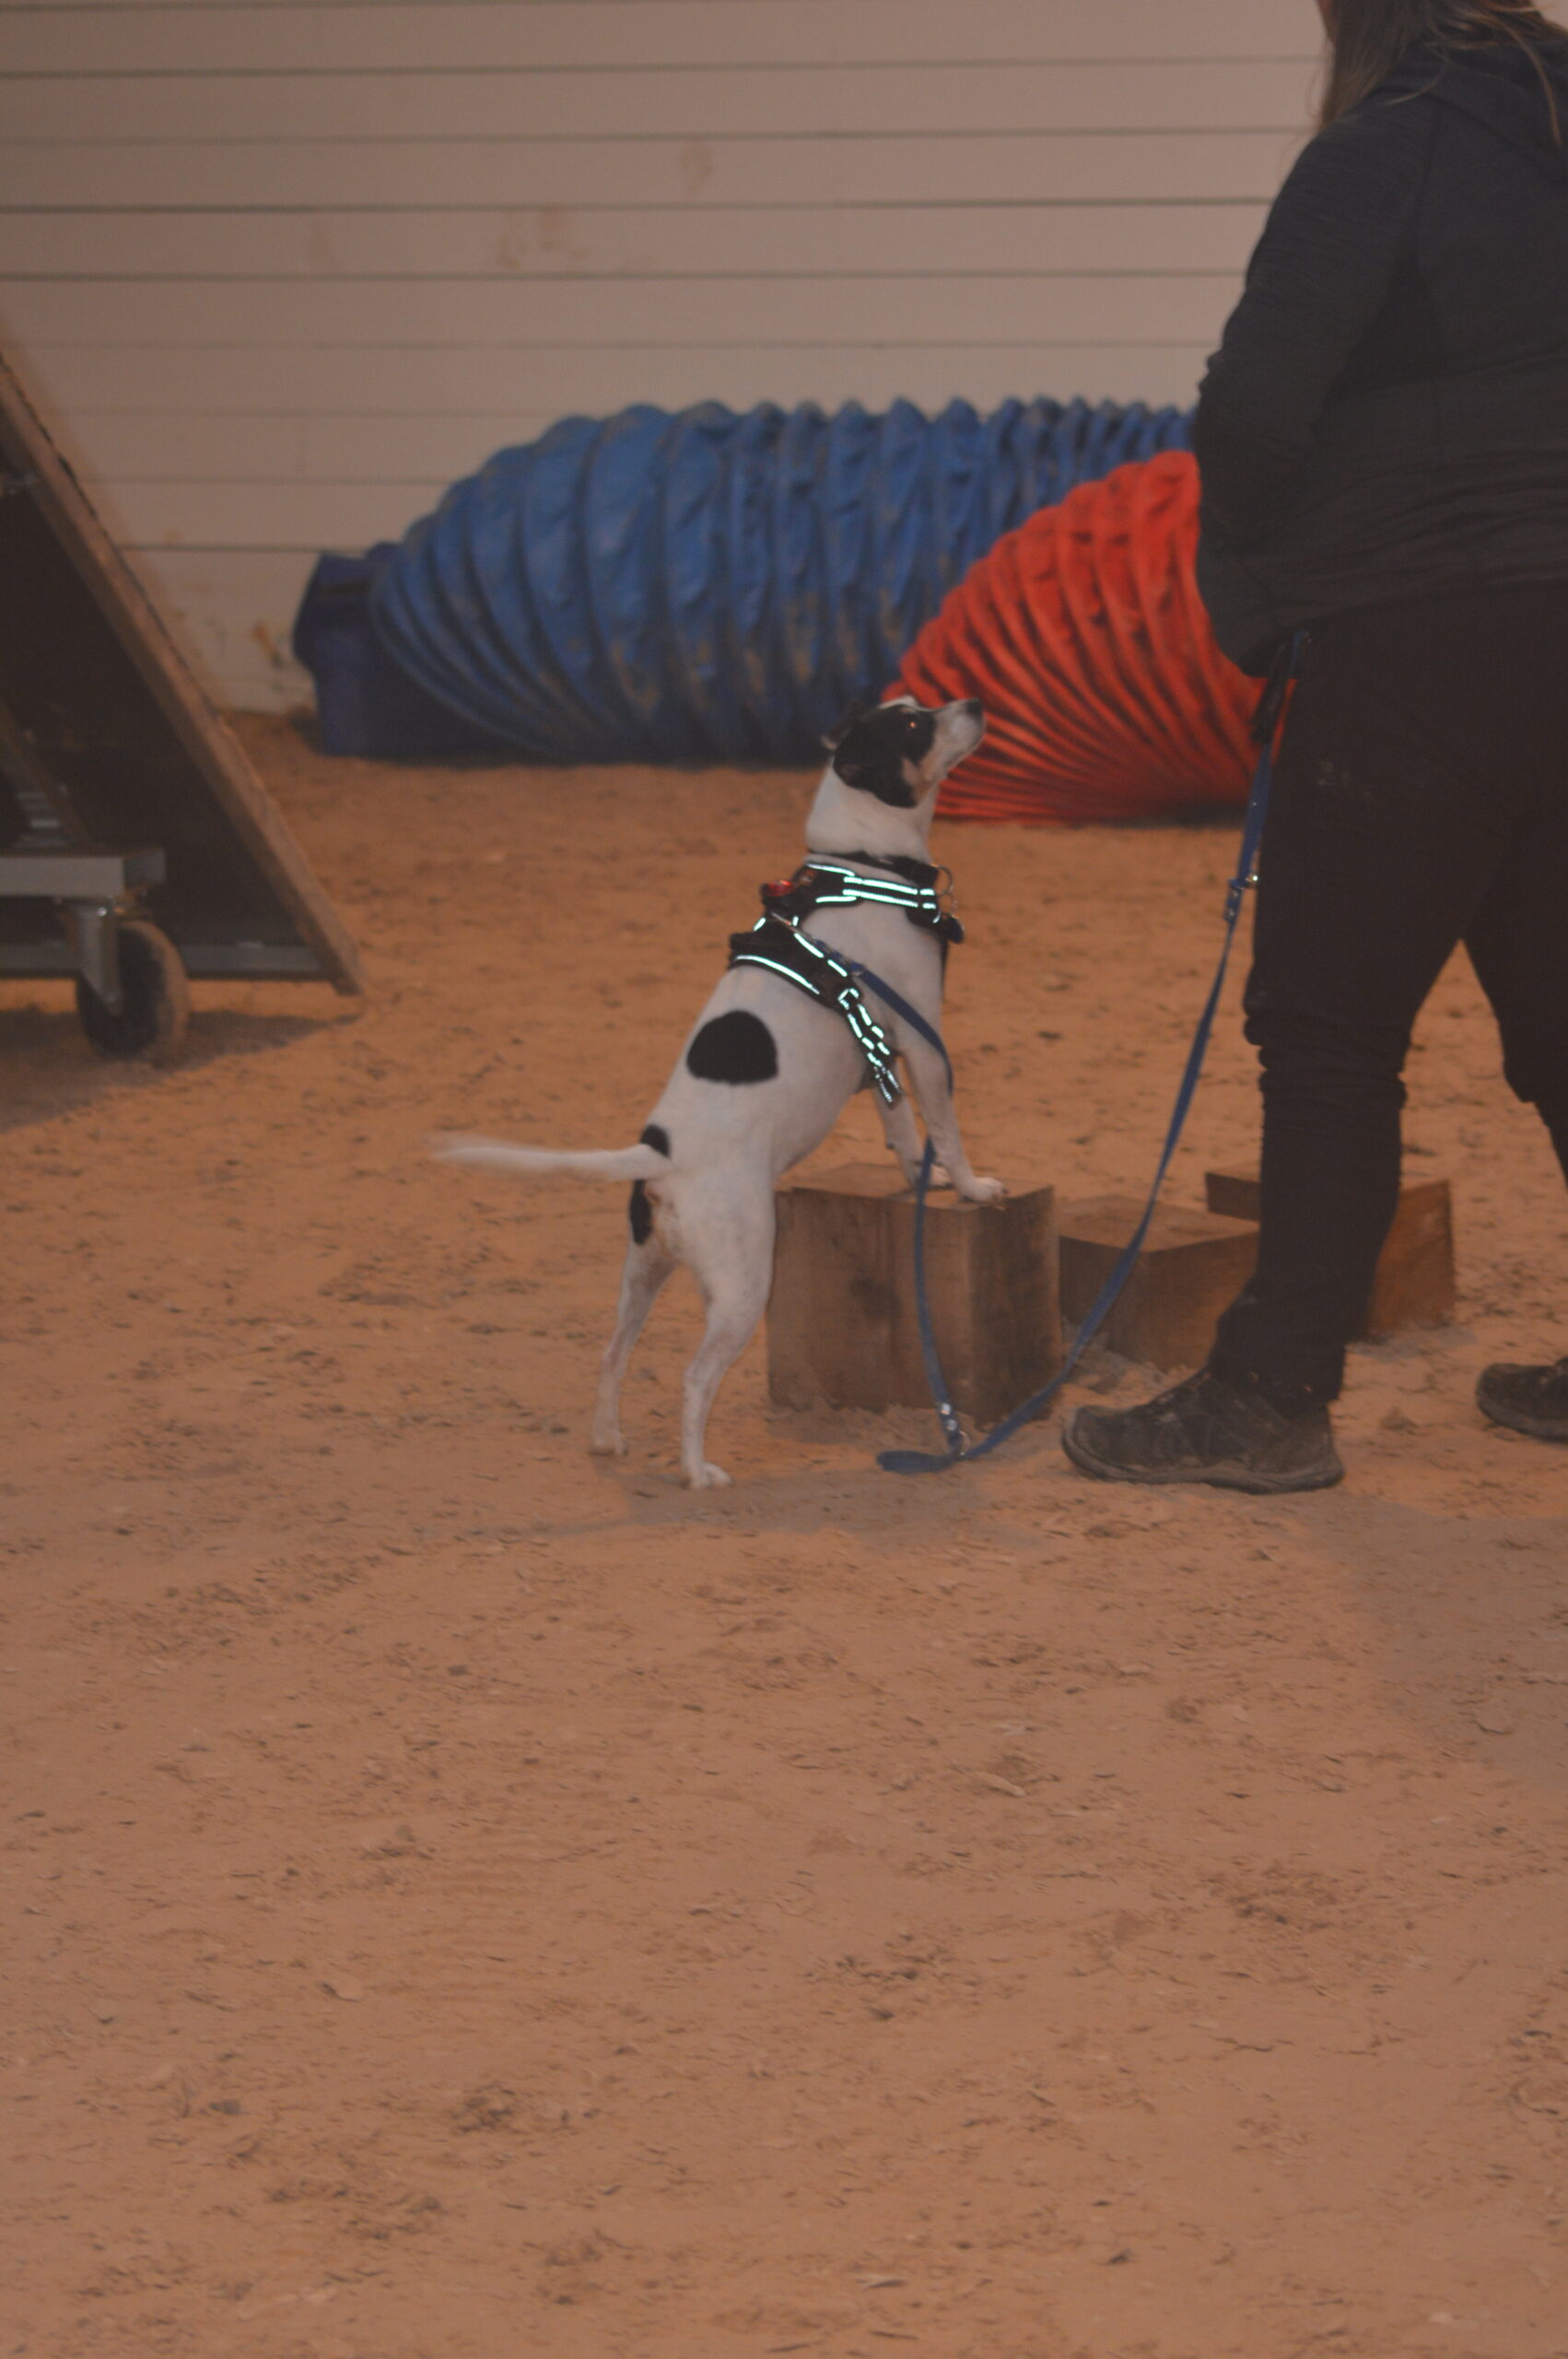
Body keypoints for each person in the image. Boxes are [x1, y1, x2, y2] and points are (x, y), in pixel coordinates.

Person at [1064, 0, 1568, 1495]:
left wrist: (1265, 602)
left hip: (1422, 629)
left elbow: (1254, 407)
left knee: (1330, 1027)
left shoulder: (1380, 153)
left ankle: (1269, 1395)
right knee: (1553, 1004)